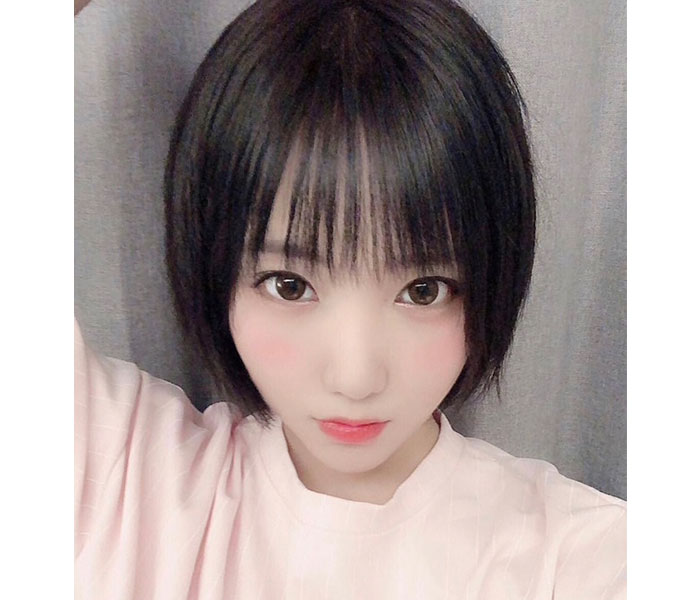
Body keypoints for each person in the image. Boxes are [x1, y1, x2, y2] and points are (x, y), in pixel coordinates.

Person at [75, 0, 626, 598]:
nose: (356, 378)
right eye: (290, 285)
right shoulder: (122, 471)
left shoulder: (580, 557)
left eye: (423, 291)